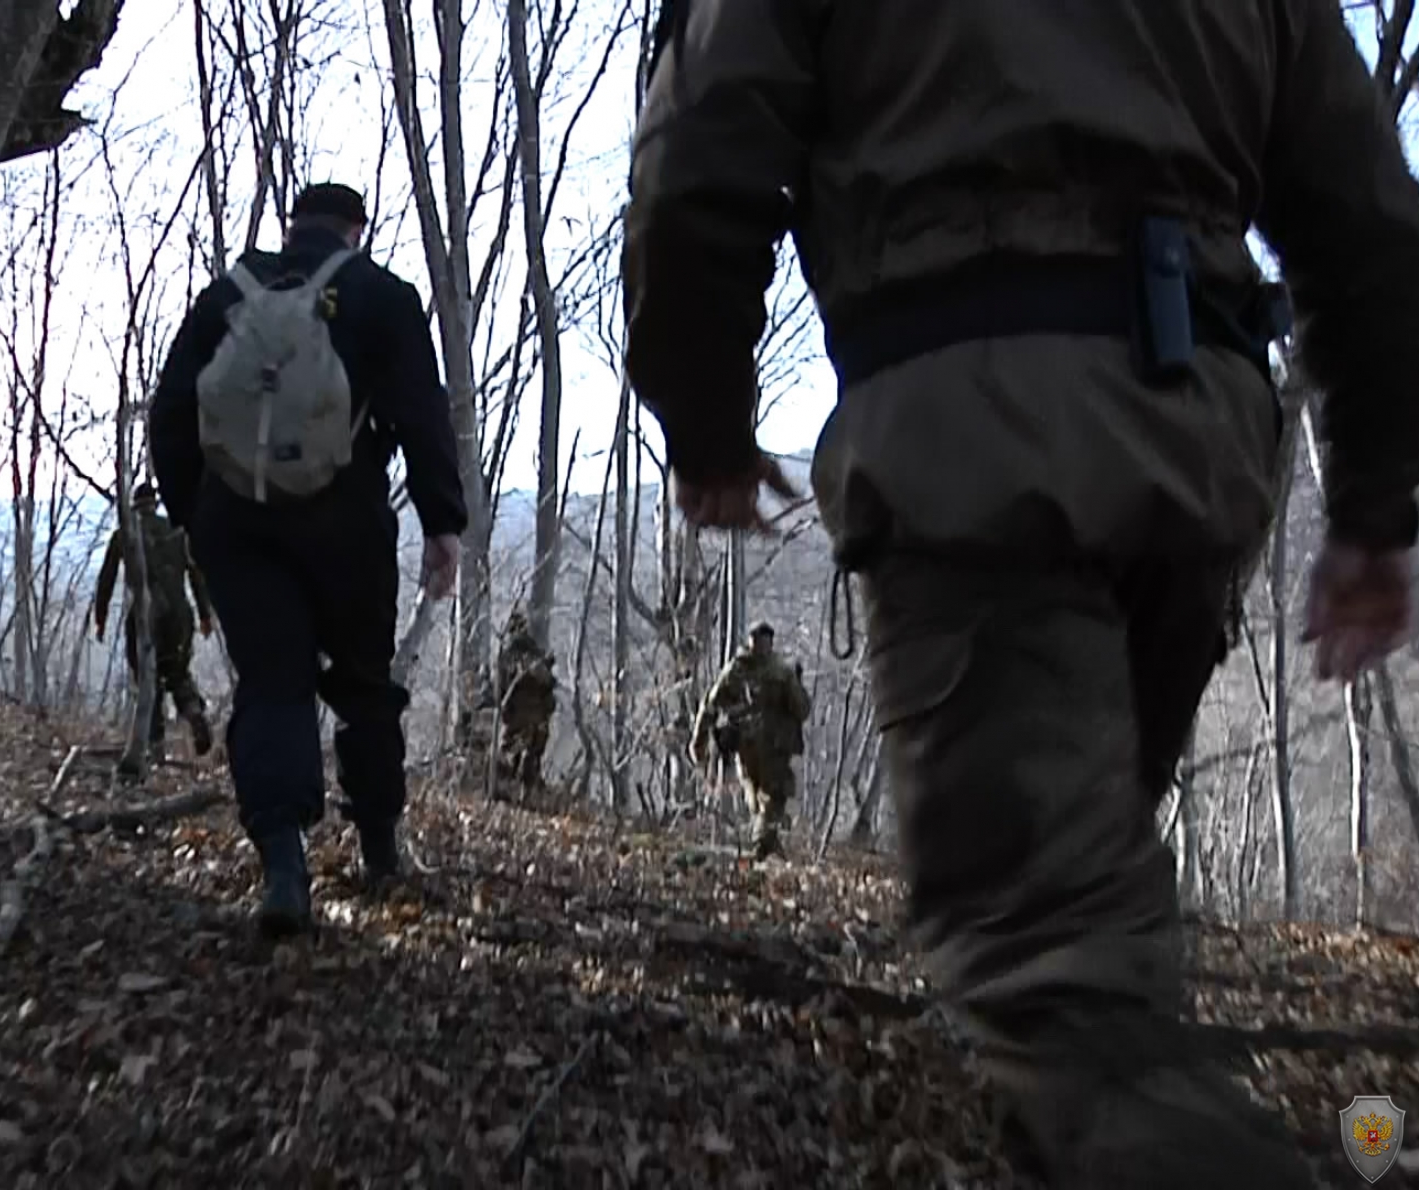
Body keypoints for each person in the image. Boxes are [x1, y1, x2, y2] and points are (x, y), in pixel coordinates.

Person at [623, 4, 1419, 1187]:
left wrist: (703, 423)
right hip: (1195, 454)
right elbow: (1366, 223)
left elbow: (695, 160)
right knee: (1082, 910)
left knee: (1057, 979)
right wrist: (1369, 509)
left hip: (974, 450)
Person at [149, 181, 467, 936]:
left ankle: (285, 871)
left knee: (273, 684)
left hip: (239, 524)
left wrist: (197, 512)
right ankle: (381, 853)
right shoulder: (381, 295)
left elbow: (171, 411)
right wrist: (442, 524)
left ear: (292, 227)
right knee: (362, 685)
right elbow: (422, 411)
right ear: (358, 229)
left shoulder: (227, 295)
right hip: (344, 521)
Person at [92, 481, 215, 761]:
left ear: (135, 507)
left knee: (148, 677)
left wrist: (100, 617)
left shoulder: (125, 534)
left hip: (145, 616)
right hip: (181, 615)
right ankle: (193, 711)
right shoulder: (179, 531)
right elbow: (197, 575)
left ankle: (155, 745)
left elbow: (106, 579)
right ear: (156, 504)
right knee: (178, 673)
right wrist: (206, 614)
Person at [689, 623, 810, 859]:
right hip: (767, 750)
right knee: (767, 803)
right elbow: (802, 709)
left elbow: (710, 705)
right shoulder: (780, 672)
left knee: (760, 804)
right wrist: (699, 741)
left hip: (752, 748)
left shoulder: (737, 670)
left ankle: (765, 852)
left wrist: (699, 740)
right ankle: (761, 851)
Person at [495, 609, 556, 797]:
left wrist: (503, 711)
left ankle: (507, 798)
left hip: (518, 716)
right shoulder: (537, 654)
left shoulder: (507, 656)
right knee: (532, 758)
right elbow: (550, 689)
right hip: (539, 719)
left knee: (509, 756)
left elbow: (500, 688)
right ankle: (527, 796)